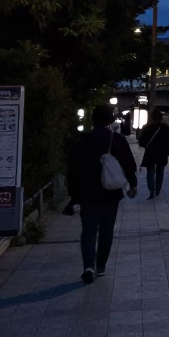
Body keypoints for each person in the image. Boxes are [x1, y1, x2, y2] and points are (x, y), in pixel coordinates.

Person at [67, 104, 137, 283]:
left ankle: (88, 265)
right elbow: (129, 164)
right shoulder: (116, 139)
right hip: (110, 192)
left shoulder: (82, 140)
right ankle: (101, 266)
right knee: (107, 230)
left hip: (87, 193)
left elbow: (72, 168)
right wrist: (132, 185)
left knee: (88, 230)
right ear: (110, 119)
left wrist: (73, 194)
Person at [137, 110, 169, 199]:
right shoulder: (165, 127)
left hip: (150, 153)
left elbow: (141, 142)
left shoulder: (146, 127)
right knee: (160, 171)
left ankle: (151, 190)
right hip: (162, 153)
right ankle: (158, 189)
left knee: (150, 171)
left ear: (152, 117)